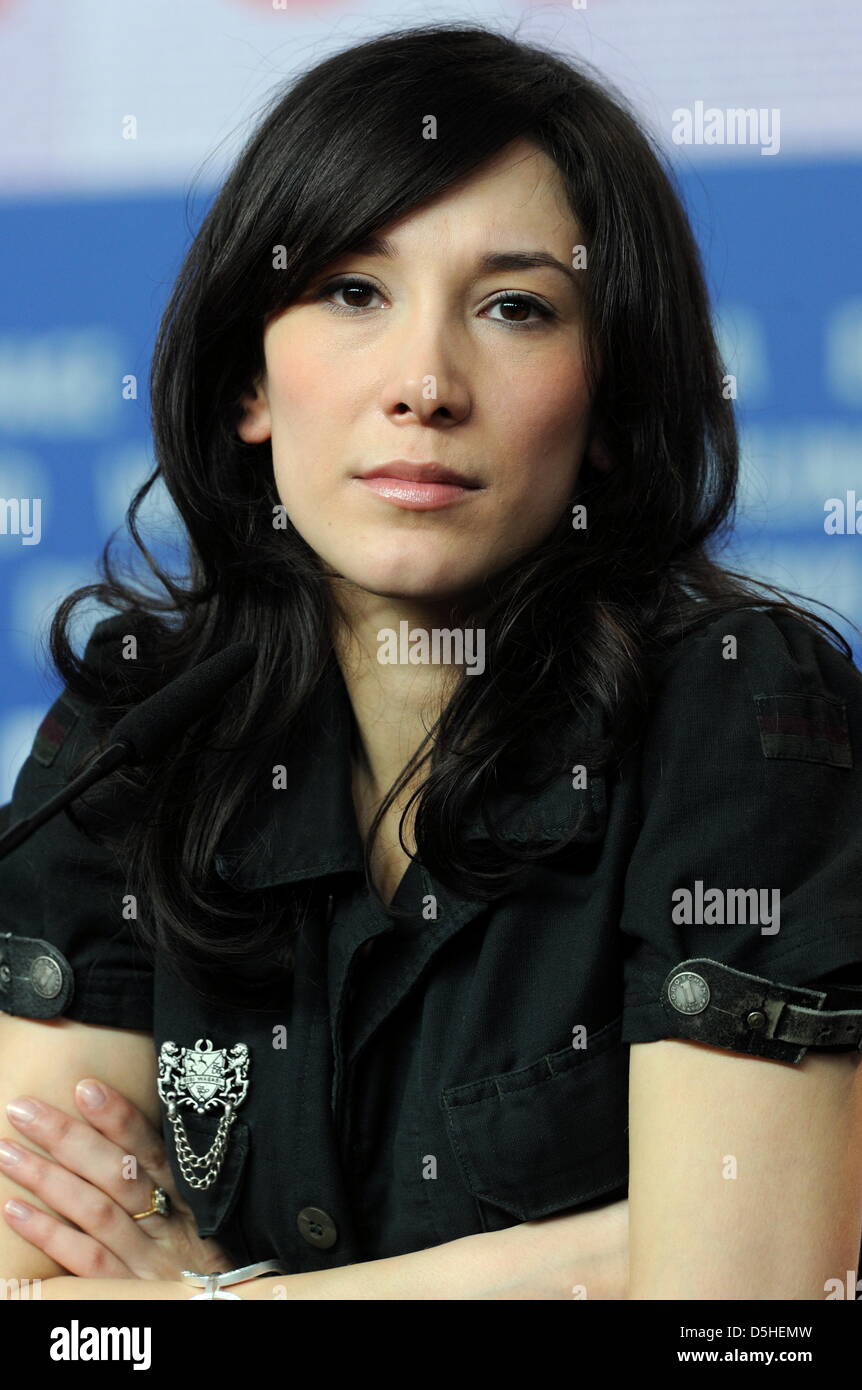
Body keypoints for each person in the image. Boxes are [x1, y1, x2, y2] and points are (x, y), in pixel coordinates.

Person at [1, 22, 861, 1302]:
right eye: (353, 290)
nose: (424, 382)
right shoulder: (135, 730)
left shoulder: (741, 710)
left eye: (515, 307)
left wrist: (236, 1301)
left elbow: (736, 1317)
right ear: (252, 382)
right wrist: (593, 1253)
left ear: (612, 405)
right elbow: (52, 1305)